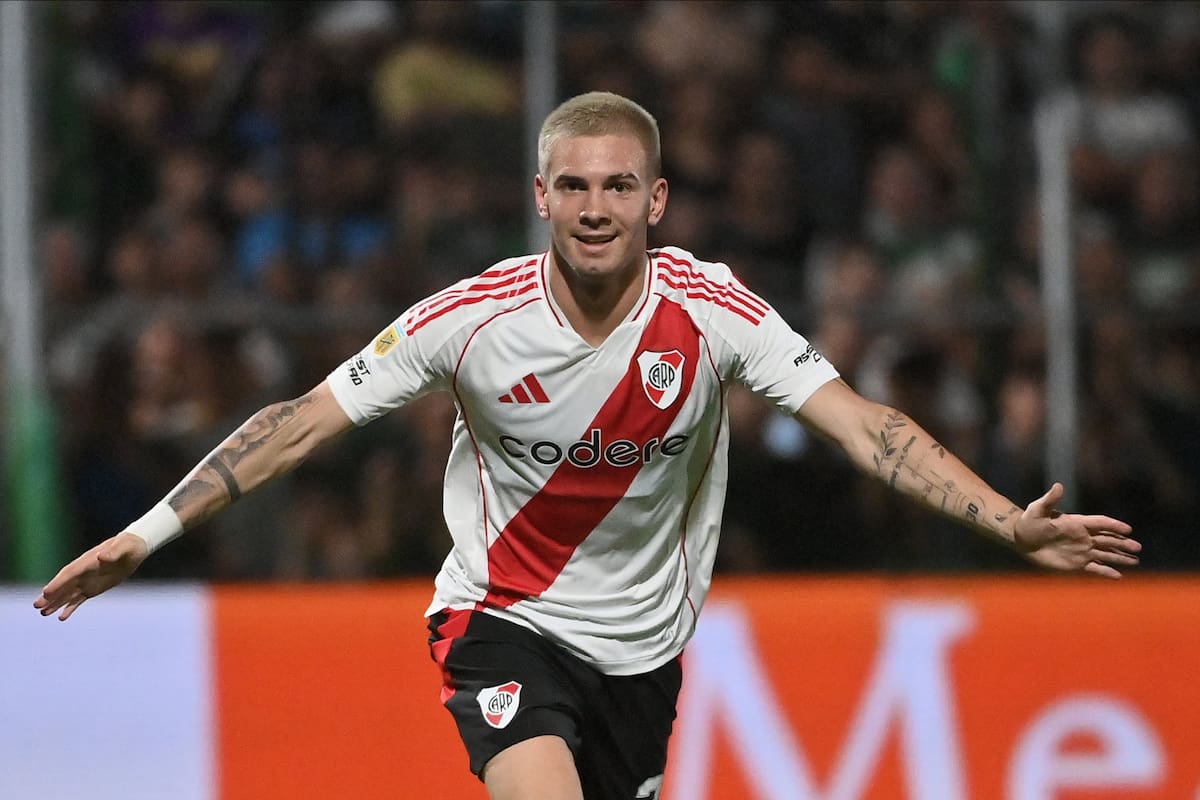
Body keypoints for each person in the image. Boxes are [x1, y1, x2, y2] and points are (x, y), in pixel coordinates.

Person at [35, 91, 1141, 800]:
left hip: (646, 654)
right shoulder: (467, 318)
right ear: (541, 196)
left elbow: (869, 426)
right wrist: (148, 533)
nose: (597, 205)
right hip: (500, 620)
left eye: (619, 184)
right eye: (575, 184)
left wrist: (1005, 520)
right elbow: (299, 426)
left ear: (656, 197)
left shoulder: (717, 315)